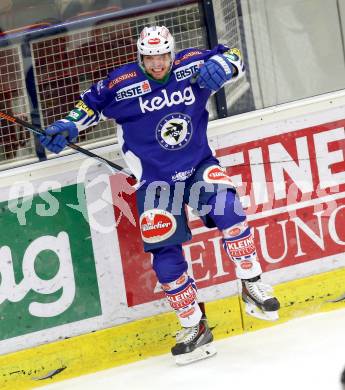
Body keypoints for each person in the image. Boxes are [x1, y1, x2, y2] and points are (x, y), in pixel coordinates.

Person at [38, 25, 280, 365]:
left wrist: (228, 64)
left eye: (163, 56)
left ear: (172, 51)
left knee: (230, 210)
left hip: (197, 166)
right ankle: (194, 327)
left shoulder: (192, 64)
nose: (157, 64)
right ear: (141, 56)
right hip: (154, 183)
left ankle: (252, 284)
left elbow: (233, 56)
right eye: (150, 58)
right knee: (166, 259)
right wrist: (68, 125)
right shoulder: (120, 84)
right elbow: (90, 105)